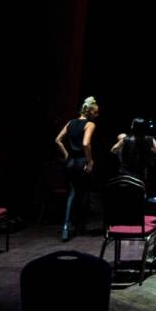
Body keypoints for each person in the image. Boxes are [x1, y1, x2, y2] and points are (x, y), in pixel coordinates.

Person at [55, 96, 99, 241]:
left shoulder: (70, 122)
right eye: (96, 113)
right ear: (90, 112)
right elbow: (86, 144)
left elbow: (58, 140)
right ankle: (81, 226)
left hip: (70, 162)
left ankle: (66, 227)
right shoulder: (90, 124)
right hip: (81, 162)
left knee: (72, 194)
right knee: (84, 192)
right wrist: (90, 160)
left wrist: (67, 154)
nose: (97, 115)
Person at [110, 117, 156, 187]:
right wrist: (149, 148)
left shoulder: (126, 139)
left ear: (132, 127)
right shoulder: (150, 139)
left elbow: (113, 150)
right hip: (142, 173)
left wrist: (122, 150)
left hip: (125, 173)